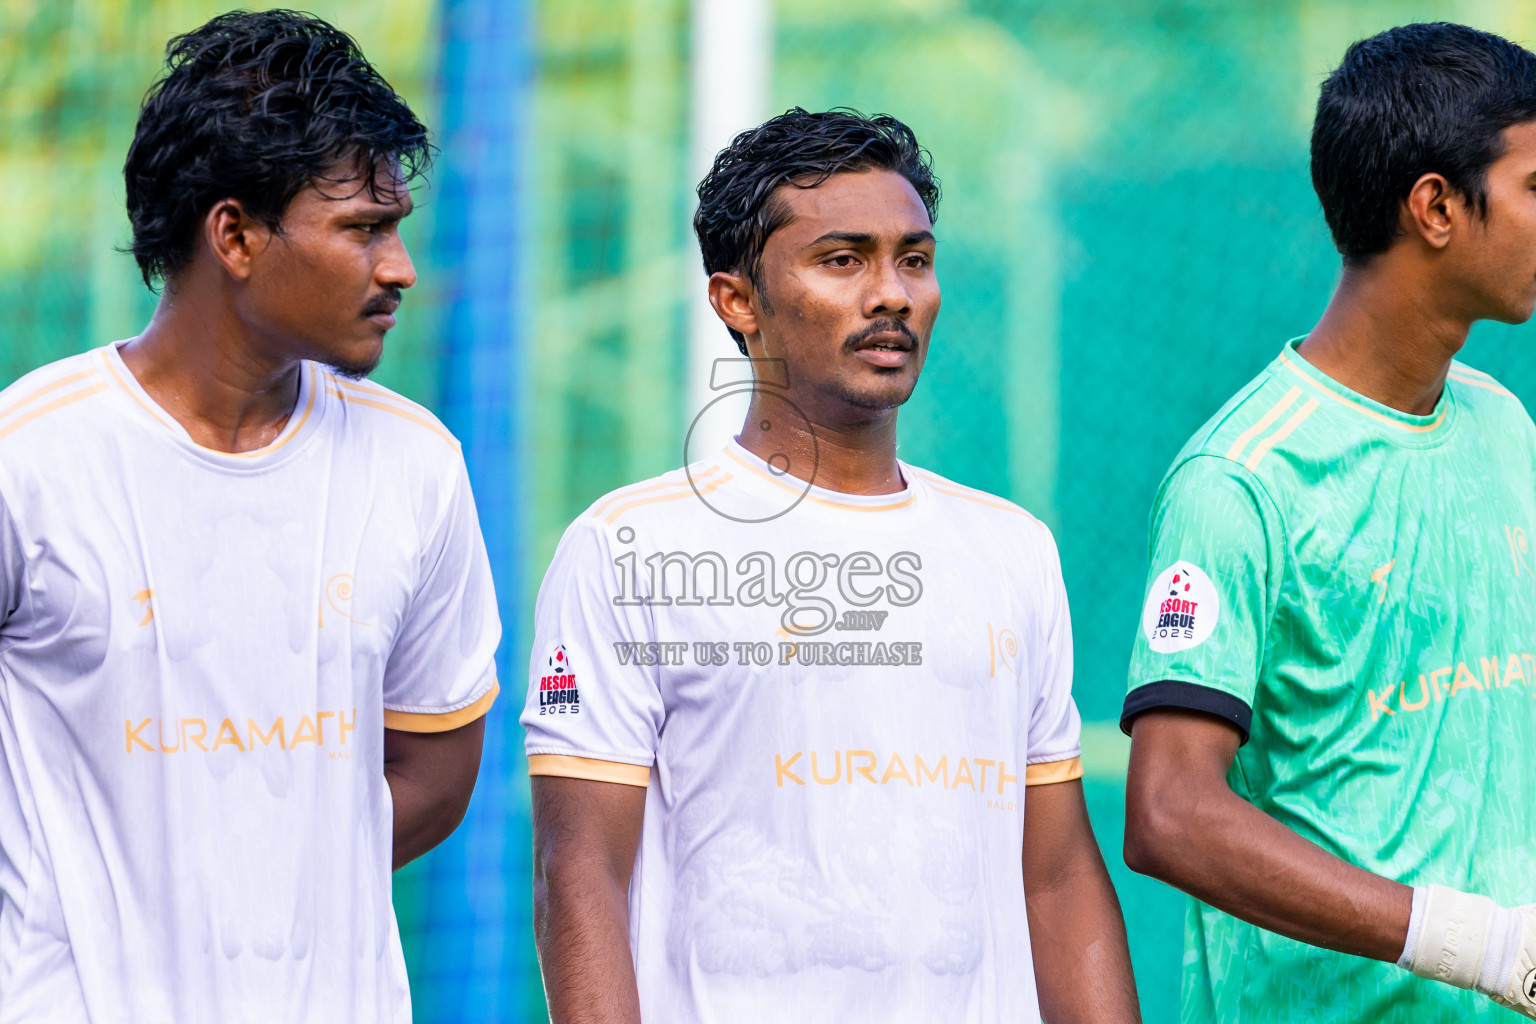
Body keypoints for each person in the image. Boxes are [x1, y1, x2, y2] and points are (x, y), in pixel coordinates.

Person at [523, 108, 1140, 1023]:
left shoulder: (1013, 551)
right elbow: (580, 877)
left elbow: (1054, 877)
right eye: (843, 260)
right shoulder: (631, 548)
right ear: (737, 300)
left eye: (915, 260)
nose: (891, 293)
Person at [0, 11, 500, 1020]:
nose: (399, 267)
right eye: (363, 229)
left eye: (396, 227)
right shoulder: (27, 460)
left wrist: (271, 877)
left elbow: (438, 772)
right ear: (232, 235)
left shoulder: (418, 466)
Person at [1121, 22, 1536, 1024]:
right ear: (1437, 206)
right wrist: (1477, 943)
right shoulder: (1240, 482)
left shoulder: (1501, 425)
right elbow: (1170, 813)